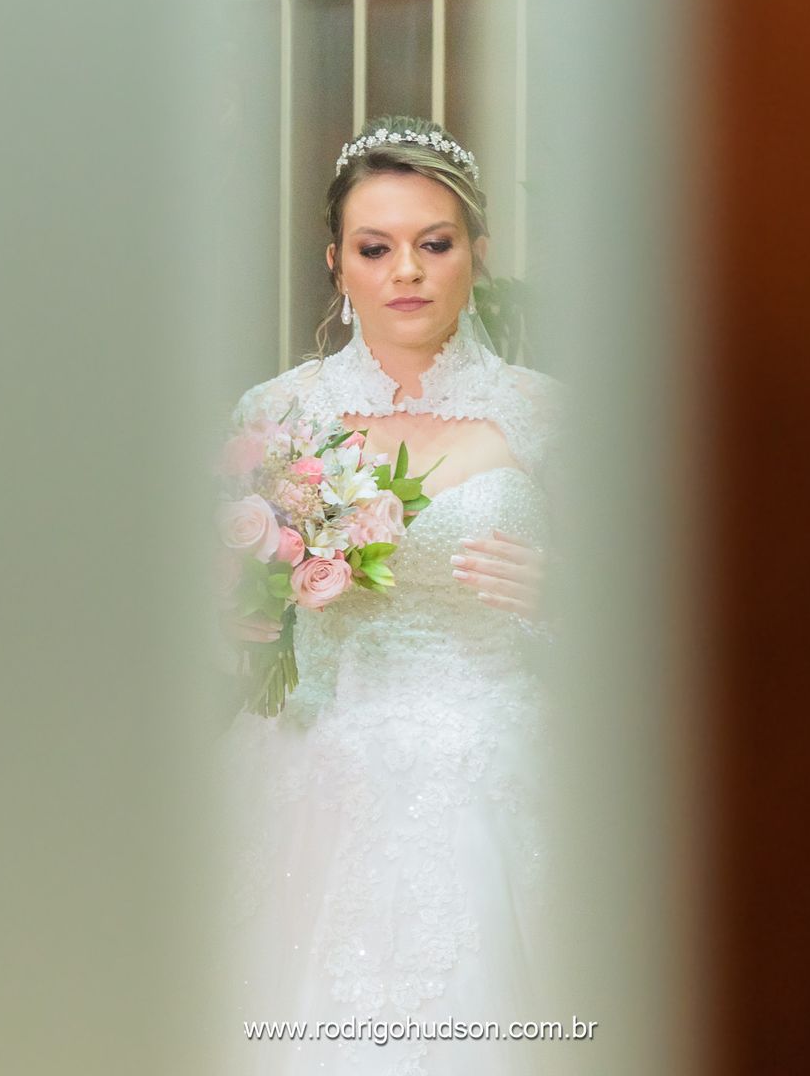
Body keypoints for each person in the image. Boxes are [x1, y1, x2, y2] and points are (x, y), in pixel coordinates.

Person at [212, 115, 569, 1074]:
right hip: (314, 765)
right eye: (376, 248)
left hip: (497, 763)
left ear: (477, 257)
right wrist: (240, 615)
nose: (405, 270)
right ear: (338, 265)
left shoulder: (549, 414)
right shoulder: (275, 413)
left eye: (434, 244)